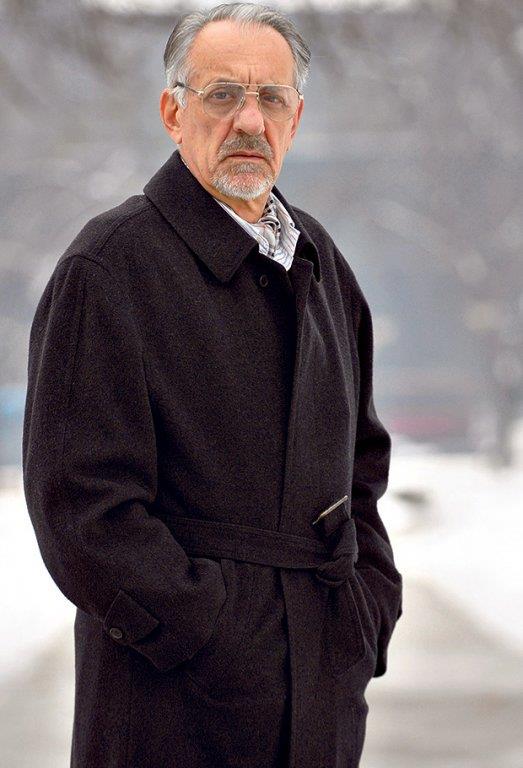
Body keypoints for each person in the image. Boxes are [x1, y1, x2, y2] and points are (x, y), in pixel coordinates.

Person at [22, 4, 403, 767]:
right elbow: (80, 508)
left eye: (270, 98)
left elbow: (360, 472)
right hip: (171, 706)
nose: (249, 121)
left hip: (320, 693)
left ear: (295, 119)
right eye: (222, 94)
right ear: (173, 112)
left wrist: (364, 614)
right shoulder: (110, 266)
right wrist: (205, 631)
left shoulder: (321, 262)